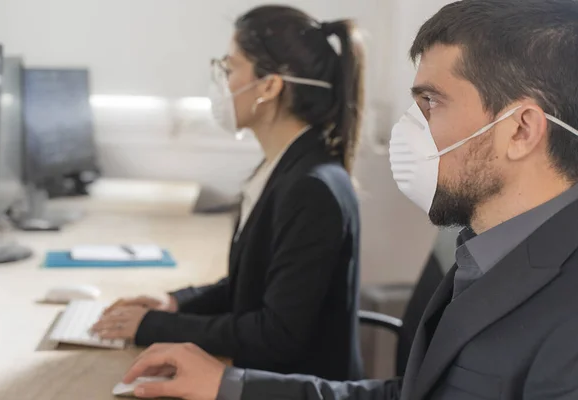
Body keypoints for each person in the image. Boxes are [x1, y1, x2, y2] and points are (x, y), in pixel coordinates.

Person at [117, 0, 578, 399]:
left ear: (520, 130)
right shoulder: (486, 247)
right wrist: (231, 386)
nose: (410, 128)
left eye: (430, 103)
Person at [92, 5, 366, 381]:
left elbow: (276, 334)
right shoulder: (282, 168)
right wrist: (174, 303)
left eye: (230, 68)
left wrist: (152, 327)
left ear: (269, 86)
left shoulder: (311, 188)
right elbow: (249, 286)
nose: (221, 81)